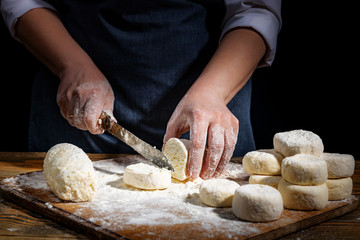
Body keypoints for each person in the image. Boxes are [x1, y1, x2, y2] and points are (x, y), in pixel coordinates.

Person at [1, 0, 282, 180]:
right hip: (77, 106)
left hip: (210, 104)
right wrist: (71, 66)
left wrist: (214, 92)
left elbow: (256, 8)